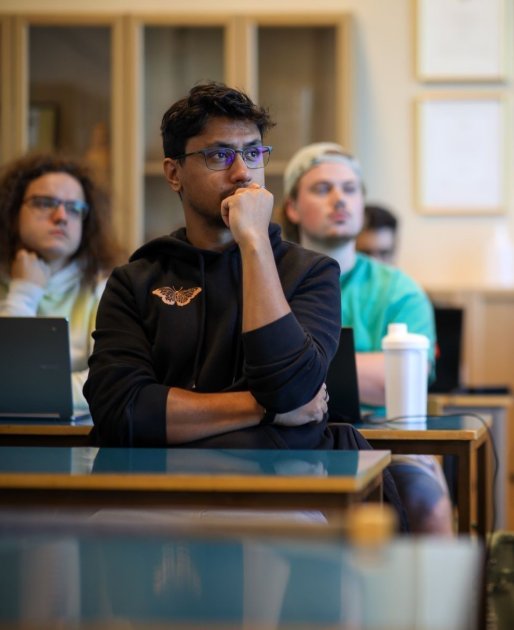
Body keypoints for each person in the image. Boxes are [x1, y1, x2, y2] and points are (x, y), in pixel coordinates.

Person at [84, 82, 344, 451]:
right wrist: (262, 408)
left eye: (253, 153)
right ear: (174, 174)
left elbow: (289, 387)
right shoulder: (136, 280)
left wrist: (253, 242)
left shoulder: (311, 272)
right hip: (156, 489)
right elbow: (121, 412)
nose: (242, 173)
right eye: (219, 156)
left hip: (278, 487)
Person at [282, 142, 453, 535]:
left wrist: (296, 369)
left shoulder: (399, 290)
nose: (339, 198)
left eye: (350, 188)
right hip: (286, 442)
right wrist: (367, 366)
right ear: (292, 207)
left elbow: (405, 377)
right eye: (322, 189)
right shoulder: (267, 280)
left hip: (386, 443)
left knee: (428, 500)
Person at [0, 152, 124, 412]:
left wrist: (25, 389)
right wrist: (24, 292)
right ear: (12, 211)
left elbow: (105, 382)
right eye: (45, 203)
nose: (61, 216)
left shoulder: (106, 288)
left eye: (74, 208)